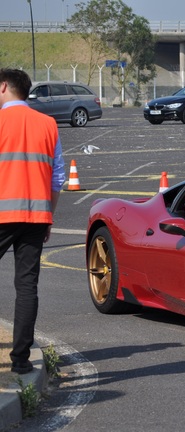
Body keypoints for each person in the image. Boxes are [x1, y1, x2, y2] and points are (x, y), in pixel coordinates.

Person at [0, 69, 65, 374]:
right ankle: (21, 360)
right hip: (37, 217)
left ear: (3, 87)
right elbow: (58, 177)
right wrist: (48, 217)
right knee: (27, 287)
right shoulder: (48, 124)